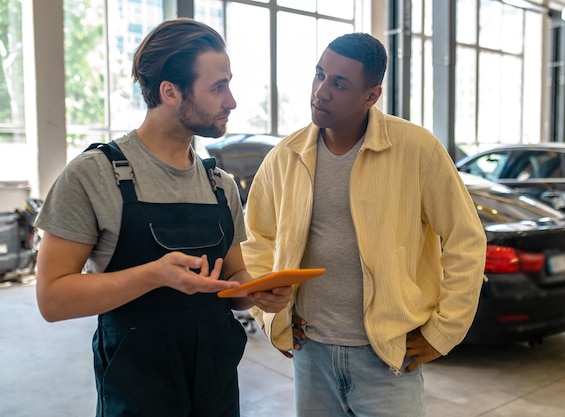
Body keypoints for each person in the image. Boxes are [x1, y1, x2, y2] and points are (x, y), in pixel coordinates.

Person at [34, 18, 292, 417]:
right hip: (138, 392)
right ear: (171, 92)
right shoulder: (95, 174)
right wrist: (154, 274)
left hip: (216, 390)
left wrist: (258, 292)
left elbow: (236, 280)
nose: (232, 102)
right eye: (218, 87)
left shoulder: (219, 183)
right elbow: (52, 299)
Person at [241, 32, 486, 416]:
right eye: (319, 74)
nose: (321, 91)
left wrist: (444, 331)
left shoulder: (416, 150)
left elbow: (465, 238)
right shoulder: (285, 157)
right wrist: (272, 315)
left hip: (388, 356)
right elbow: (257, 238)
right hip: (311, 352)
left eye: (339, 83)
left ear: (371, 96)